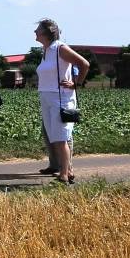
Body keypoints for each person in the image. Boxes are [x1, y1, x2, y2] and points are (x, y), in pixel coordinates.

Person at [34, 18, 89, 184]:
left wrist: (76, 83)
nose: (35, 32)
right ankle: (67, 170)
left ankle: (64, 174)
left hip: (60, 98)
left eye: (37, 29)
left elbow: (84, 64)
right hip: (47, 97)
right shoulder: (46, 50)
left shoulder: (60, 48)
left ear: (45, 32)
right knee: (53, 136)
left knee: (60, 137)